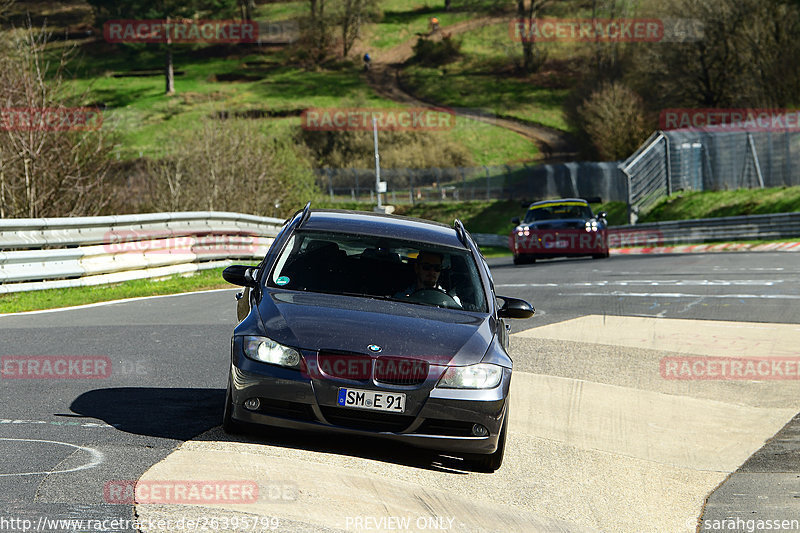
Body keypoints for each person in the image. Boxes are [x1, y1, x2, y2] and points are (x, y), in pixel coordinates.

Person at [395, 251, 461, 306]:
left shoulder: (452, 301)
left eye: (437, 268)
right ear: (417, 268)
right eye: (426, 267)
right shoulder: (401, 299)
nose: (432, 272)